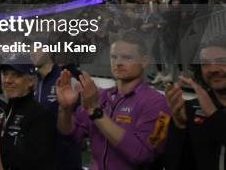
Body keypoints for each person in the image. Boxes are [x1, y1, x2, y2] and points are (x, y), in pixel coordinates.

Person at [56, 31, 171, 170]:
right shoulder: (100, 96)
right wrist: (65, 109)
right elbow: (71, 135)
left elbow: (143, 154)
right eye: (114, 57)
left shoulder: (158, 103)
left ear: (144, 61)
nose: (118, 63)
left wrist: (95, 111)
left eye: (127, 58)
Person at [164, 40, 226, 169]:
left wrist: (213, 115)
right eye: (205, 63)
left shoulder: (207, 109)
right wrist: (179, 127)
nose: (213, 69)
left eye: (221, 60)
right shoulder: (190, 108)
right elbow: (174, 165)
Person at [30, 49, 82, 170]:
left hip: (64, 158)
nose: (32, 52)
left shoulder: (66, 79)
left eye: (36, 49)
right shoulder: (31, 80)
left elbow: (78, 122)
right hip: (38, 155)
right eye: (30, 50)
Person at [0, 64, 56, 170]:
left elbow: (35, 161)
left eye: (16, 75)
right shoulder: (1, 109)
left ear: (31, 81)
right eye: (5, 74)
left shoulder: (41, 115)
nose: (7, 80)